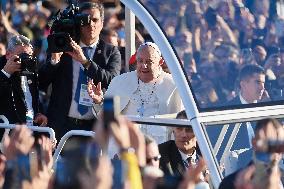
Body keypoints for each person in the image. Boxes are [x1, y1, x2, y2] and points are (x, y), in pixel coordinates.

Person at [39, 2, 121, 139]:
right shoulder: (62, 45)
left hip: (93, 127)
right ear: (78, 22)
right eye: (85, 20)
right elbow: (41, 82)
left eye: (95, 20)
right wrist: (54, 61)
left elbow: (112, 80)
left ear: (102, 23)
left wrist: (85, 62)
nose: (91, 24)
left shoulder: (111, 52)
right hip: (61, 125)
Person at [88, 42, 183, 143]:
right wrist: (99, 102)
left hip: (159, 147)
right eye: (140, 61)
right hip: (126, 144)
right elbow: (105, 117)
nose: (143, 65)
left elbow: (180, 122)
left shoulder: (174, 85)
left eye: (149, 61)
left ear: (160, 62)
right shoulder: (120, 81)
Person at [219, 118, 284, 189]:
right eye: (269, 143)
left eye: (280, 144)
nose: (275, 150)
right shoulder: (232, 183)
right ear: (254, 143)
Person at [0, 35, 47, 126]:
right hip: (7, 132)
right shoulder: (2, 68)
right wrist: (5, 73)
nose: (25, 59)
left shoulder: (31, 69)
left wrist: (38, 113)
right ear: (8, 54)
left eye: (28, 55)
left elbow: (32, 98)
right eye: (22, 55)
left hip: (30, 131)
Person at [158, 110, 202, 177]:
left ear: (199, 132)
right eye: (179, 128)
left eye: (189, 129)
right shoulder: (161, 154)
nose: (183, 135)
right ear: (173, 131)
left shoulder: (206, 152)